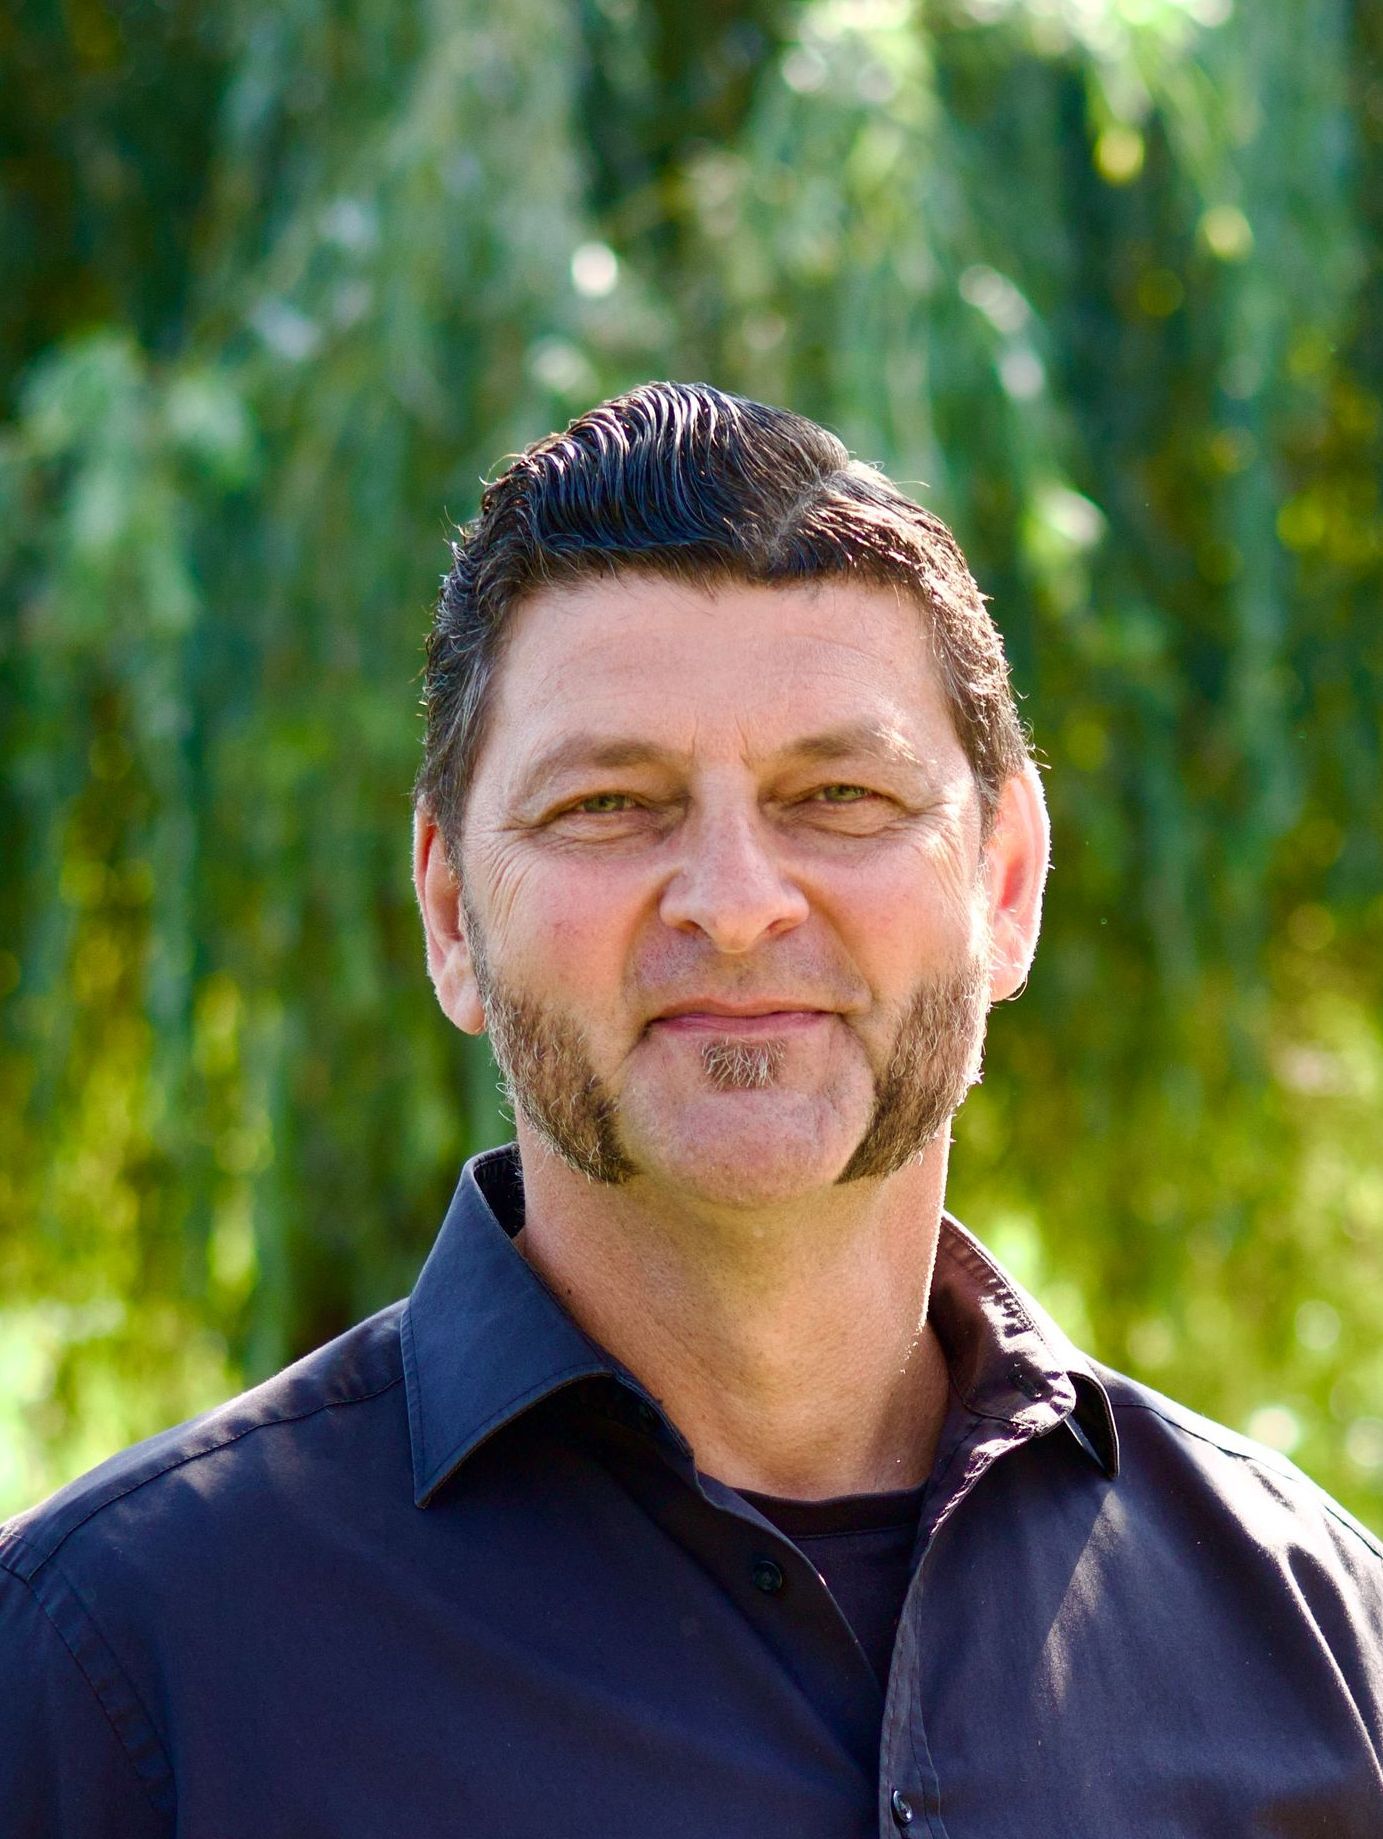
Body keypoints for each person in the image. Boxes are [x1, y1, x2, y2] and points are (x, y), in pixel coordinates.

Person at [2, 382, 1380, 1838]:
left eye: (838, 795)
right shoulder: (114, 1673)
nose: (732, 904)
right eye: (609, 805)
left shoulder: (1326, 1660)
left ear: (1006, 882)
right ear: (453, 912)